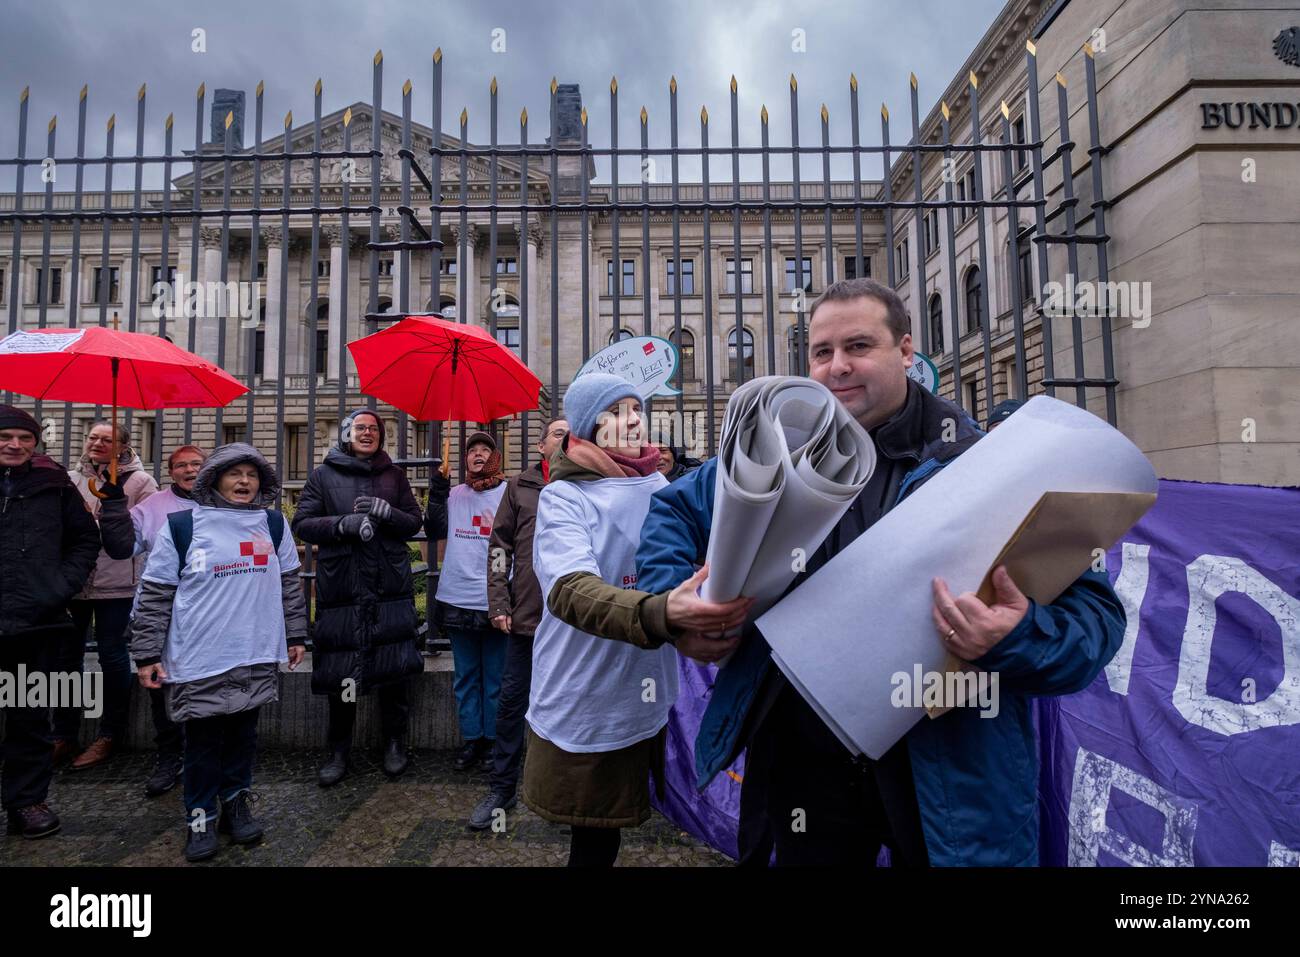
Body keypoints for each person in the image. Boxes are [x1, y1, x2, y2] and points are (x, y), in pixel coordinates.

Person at [637, 278, 1127, 867]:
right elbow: (673, 510)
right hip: (799, 749)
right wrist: (677, 604)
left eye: (859, 346)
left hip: (947, 765)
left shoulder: (987, 464)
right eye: (822, 352)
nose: (838, 367)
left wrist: (1017, 636)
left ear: (906, 351)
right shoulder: (780, 445)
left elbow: (1095, 622)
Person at [523, 373, 751, 867]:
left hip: (650, 688)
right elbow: (569, 591)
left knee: (638, 812)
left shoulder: (657, 481)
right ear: (587, 425)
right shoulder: (563, 498)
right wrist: (660, 611)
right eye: (615, 411)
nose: (630, 419)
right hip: (589, 689)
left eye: (635, 408)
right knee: (595, 835)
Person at [129, 442, 307, 862]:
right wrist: (147, 654)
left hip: (255, 652)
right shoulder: (182, 526)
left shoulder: (273, 524)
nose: (244, 482)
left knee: (244, 738)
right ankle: (200, 815)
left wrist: (296, 636)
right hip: (198, 657)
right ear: (215, 479)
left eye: (252, 475)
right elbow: (155, 594)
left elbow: (289, 586)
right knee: (203, 743)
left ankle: (236, 803)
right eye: (234, 474)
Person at [291, 409, 424, 787]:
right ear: (347, 434)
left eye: (374, 429)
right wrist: (342, 525)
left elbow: (414, 522)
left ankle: (395, 743)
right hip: (343, 590)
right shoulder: (323, 475)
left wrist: (388, 513)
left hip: (388, 589)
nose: (367, 433)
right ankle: (338, 749)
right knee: (343, 675)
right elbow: (301, 524)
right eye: (360, 428)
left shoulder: (394, 476)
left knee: (394, 672)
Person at [0, 406, 101, 838]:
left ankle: (26, 802)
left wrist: (60, 586)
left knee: (29, 716)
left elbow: (85, 539)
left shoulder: (55, 483)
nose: (15, 445)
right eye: (6, 437)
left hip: (37, 621)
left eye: (24, 438)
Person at [466, 416, 569, 831]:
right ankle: (501, 788)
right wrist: (498, 601)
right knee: (511, 706)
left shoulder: (589, 483)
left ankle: (566, 795)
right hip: (527, 620)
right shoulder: (519, 488)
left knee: (568, 708)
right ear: (542, 446)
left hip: (571, 623)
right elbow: (499, 547)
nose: (566, 439)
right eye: (558, 433)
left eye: (571, 433)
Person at [99, 444, 207, 797]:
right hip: (163, 616)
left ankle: (207, 755)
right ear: (170, 472)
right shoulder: (152, 507)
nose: (190, 471)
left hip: (211, 615)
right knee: (162, 691)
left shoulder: (226, 504)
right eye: (181, 466)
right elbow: (120, 548)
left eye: (196, 464)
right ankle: (169, 756)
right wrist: (114, 505)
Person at [56, 420, 159, 770]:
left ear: (122, 447)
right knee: (65, 659)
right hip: (74, 582)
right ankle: (64, 734)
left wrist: (99, 520)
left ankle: (109, 733)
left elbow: (144, 533)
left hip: (118, 584)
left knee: (112, 656)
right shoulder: (70, 480)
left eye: (107, 439)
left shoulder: (141, 483)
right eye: (93, 438)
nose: (98, 443)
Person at [426, 430, 509, 772]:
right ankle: (471, 739)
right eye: (471, 449)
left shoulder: (509, 493)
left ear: (494, 456)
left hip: (495, 599)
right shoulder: (454, 494)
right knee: (465, 677)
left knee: (495, 678)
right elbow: (433, 530)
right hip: (458, 598)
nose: (477, 454)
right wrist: (436, 492)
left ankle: (493, 741)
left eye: (484, 449)